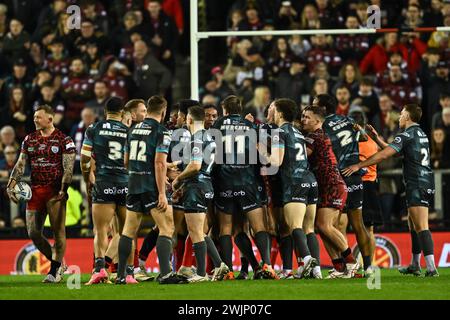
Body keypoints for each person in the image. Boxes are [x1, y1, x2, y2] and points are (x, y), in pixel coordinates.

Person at [343, 104, 439, 277]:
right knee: (413, 224)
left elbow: (384, 155)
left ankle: (431, 268)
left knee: (422, 225)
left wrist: (359, 165)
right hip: (424, 181)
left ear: (408, 117)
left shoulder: (406, 135)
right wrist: (378, 138)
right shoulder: (420, 133)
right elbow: (394, 151)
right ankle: (415, 264)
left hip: (417, 183)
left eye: (402, 114)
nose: (399, 117)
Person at [116, 95, 186, 285]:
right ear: (163, 112)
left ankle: (121, 275)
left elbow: (126, 161)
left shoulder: (132, 130)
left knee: (128, 230)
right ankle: (165, 274)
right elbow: (158, 163)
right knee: (166, 227)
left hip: (133, 183)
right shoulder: (162, 131)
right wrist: (162, 192)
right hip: (151, 186)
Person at [6, 105, 76, 283]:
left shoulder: (64, 140)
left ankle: (54, 271)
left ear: (50, 119)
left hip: (54, 192)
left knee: (58, 232)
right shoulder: (29, 139)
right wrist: (11, 184)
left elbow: (68, 168)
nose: (35, 120)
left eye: (39, 117)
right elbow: (21, 163)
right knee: (33, 232)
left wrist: (63, 189)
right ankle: (57, 263)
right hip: (35, 190)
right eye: (34, 117)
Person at [213, 95, 276, 280]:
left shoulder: (218, 125)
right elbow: (263, 154)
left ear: (224, 109)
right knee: (258, 226)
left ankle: (228, 271)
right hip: (248, 181)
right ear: (240, 108)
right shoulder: (252, 125)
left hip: (224, 181)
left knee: (229, 229)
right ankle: (267, 265)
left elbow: (213, 153)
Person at [313, 94, 372, 274]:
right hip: (354, 176)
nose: (312, 108)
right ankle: (368, 267)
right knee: (358, 224)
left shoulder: (322, 126)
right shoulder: (347, 120)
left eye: (315, 106)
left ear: (322, 109)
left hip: (337, 178)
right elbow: (363, 138)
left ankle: (343, 265)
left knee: (327, 225)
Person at [259, 99, 319, 278]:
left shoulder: (280, 132)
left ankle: (308, 260)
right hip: (310, 180)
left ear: (279, 113)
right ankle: (316, 271)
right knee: (309, 228)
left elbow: (276, 162)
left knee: (294, 226)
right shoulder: (297, 132)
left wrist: (261, 149)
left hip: (294, 181)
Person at [171, 105, 230, 282]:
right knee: (199, 231)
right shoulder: (210, 138)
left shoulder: (196, 138)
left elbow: (195, 166)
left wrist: (178, 179)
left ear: (189, 119)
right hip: (206, 186)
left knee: (196, 231)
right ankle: (219, 266)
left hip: (196, 186)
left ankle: (202, 274)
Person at [301, 105, 358, 278]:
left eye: (307, 117)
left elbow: (300, 155)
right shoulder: (316, 135)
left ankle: (352, 263)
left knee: (324, 225)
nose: (303, 119)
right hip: (327, 185)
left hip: (332, 185)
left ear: (318, 121)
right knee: (323, 227)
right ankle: (340, 267)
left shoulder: (315, 136)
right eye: (302, 116)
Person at [81, 97, 129, 285]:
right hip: (125, 183)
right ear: (122, 112)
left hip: (103, 182)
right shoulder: (129, 131)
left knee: (100, 230)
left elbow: (85, 159)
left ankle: (99, 268)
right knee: (125, 231)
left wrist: (88, 178)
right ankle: (125, 273)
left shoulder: (93, 129)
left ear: (105, 111)